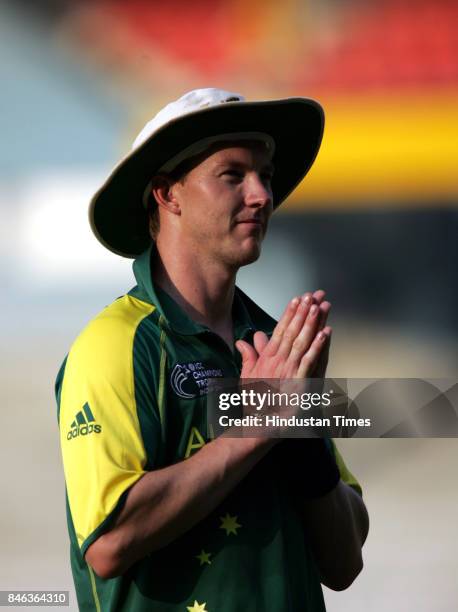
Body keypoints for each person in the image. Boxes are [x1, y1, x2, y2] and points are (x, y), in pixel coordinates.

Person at [56, 88, 369, 612]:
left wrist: (302, 438)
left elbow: (344, 564)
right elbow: (108, 544)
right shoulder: (114, 344)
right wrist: (255, 430)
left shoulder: (278, 344)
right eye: (233, 175)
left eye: (265, 175)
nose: (262, 195)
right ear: (167, 194)